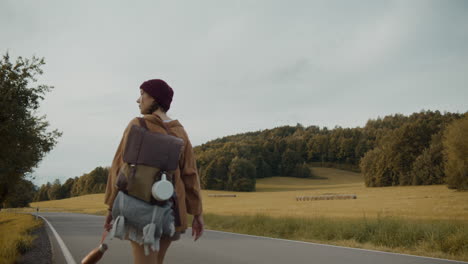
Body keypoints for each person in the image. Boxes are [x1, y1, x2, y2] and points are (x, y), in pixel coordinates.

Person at [103, 79, 204, 264]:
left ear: (154, 98)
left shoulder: (137, 124)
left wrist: (112, 206)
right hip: (171, 212)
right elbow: (190, 175)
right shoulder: (180, 131)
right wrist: (197, 213)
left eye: (142, 94)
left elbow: (119, 167)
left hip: (138, 208)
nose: (138, 100)